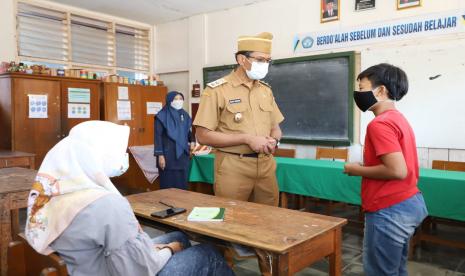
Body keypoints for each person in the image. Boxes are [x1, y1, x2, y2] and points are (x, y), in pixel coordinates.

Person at [25, 120, 234, 276]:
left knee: (178, 237)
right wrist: (168, 251)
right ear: (97, 155)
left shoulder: (49, 192)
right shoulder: (106, 204)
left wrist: (155, 249)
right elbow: (139, 269)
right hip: (110, 270)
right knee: (207, 253)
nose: (122, 157)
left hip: (84, 262)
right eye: (118, 151)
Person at [343, 64, 428, 276]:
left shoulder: (379, 124)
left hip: (390, 207)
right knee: (396, 269)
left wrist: (356, 170)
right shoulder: (397, 118)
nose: (358, 94)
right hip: (407, 202)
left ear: (380, 91)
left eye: (362, 88)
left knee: (380, 272)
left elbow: (398, 170)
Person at [194, 32, 284, 207]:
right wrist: (247, 139)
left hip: (266, 166)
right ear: (242, 59)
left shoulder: (266, 91)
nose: (265, 65)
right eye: (260, 60)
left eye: (268, 61)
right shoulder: (216, 90)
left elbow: (276, 127)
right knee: (232, 220)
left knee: (269, 219)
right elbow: (203, 136)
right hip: (233, 167)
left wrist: (274, 140)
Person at [154, 91, 195, 190]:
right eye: (176, 99)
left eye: (180, 99)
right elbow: (157, 136)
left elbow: (187, 131)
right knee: (168, 183)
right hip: (168, 155)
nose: (179, 101)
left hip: (183, 155)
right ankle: (168, 205)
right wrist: (160, 155)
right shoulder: (161, 116)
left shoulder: (184, 114)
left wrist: (192, 141)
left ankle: (181, 204)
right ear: (169, 100)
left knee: (182, 183)